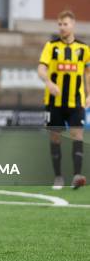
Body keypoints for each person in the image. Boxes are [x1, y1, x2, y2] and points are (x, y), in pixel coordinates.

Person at [38, 10, 88, 190]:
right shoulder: (50, 46)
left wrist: (89, 94)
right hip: (54, 103)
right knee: (55, 138)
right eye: (59, 24)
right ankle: (58, 177)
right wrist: (49, 82)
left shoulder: (83, 49)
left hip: (76, 102)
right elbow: (41, 69)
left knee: (78, 135)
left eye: (65, 24)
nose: (62, 27)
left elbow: (88, 73)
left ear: (73, 25)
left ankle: (76, 176)